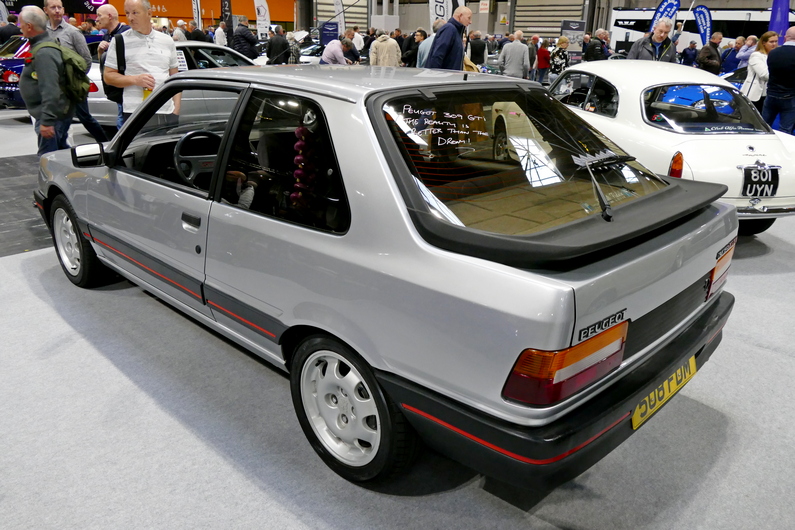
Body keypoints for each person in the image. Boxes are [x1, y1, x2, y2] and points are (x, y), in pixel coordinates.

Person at [103, 0, 179, 124]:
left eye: (135, 13)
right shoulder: (120, 41)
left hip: (166, 111)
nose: (130, 18)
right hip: (135, 113)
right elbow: (108, 76)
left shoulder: (167, 41)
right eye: (127, 13)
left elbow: (174, 76)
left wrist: (176, 109)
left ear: (149, 13)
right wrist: (135, 80)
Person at [44, 0, 107, 143]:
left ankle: (106, 144)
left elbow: (86, 59)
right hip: (54, 86)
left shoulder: (73, 32)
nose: (57, 10)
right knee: (60, 121)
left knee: (84, 117)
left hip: (73, 86)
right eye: (53, 7)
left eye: (59, 7)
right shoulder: (43, 32)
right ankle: (61, 149)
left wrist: (77, 79)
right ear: (45, 10)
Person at [18, 6, 74, 156]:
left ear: (29, 26)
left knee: (48, 159)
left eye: (20, 24)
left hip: (52, 118)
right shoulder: (42, 46)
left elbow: (50, 88)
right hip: (53, 116)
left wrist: (47, 121)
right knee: (59, 156)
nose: (19, 27)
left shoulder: (44, 52)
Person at [95, 4, 129, 130]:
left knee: (123, 123)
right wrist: (100, 51)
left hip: (127, 88)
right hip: (115, 88)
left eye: (99, 15)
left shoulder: (126, 33)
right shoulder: (106, 36)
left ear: (109, 16)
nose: (97, 19)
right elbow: (104, 63)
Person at [762, 26, 795, 135]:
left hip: (771, 95)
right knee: (785, 131)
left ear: (785, 38)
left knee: (764, 126)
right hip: (790, 97)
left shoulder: (773, 53)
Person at [741, 31, 777, 114]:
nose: (774, 44)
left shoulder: (774, 56)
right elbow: (764, 75)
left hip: (767, 94)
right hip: (753, 95)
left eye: (776, 41)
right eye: (771, 42)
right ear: (764, 43)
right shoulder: (756, 55)